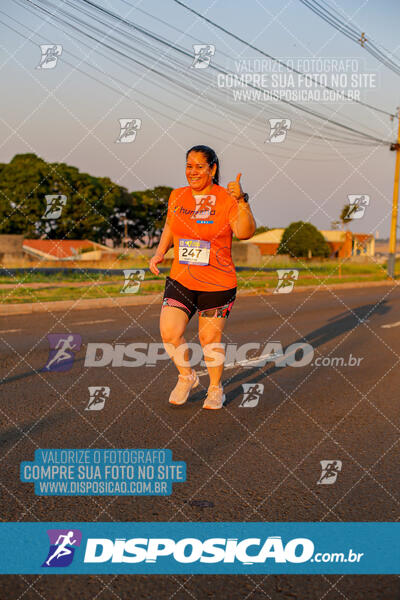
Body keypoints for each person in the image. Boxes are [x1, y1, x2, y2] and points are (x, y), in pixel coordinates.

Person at [149, 145, 256, 409]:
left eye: (199, 166)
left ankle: (216, 388)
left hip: (217, 283)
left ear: (213, 169)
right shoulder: (177, 196)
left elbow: (245, 233)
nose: (192, 171)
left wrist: (242, 200)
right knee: (169, 332)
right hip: (182, 278)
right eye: (189, 165)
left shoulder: (227, 198)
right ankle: (187, 376)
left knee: (209, 340)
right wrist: (160, 252)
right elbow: (170, 227)